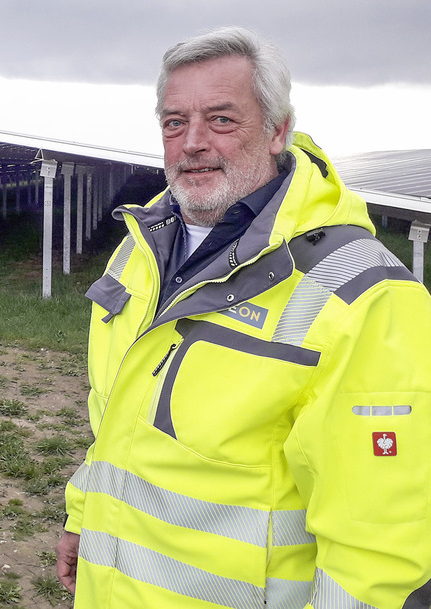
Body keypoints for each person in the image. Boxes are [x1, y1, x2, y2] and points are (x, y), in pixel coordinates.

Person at [56, 26, 431, 608]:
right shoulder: (140, 250)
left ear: (279, 130)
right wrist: (83, 516)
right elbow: (114, 422)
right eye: (174, 122)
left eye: (222, 120)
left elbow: (378, 545)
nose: (192, 142)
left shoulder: (362, 294)